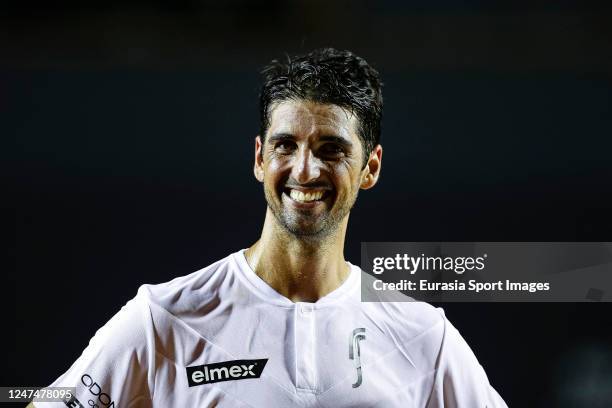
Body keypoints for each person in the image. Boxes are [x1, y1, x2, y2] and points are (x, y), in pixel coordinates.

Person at [31, 48, 507, 407]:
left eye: (331, 149)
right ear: (260, 158)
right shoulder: (164, 320)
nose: (304, 171)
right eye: (285, 146)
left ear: (370, 167)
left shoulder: (423, 337)